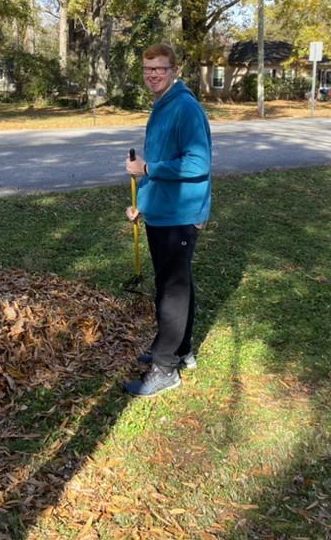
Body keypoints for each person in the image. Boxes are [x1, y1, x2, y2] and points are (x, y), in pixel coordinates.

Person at [123, 43, 212, 397]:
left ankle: (165, 368)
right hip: (162, 213)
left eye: (160, 68)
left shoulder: (185, 108)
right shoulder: (162, 105)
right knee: (174, 283)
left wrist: (147, 168)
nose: (153, 75)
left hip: (180, 214)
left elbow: (198, 163)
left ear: (174, 70)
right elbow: (160, 163)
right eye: (148, 69)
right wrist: (142, 205)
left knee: (172, 291)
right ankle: (181, 349)